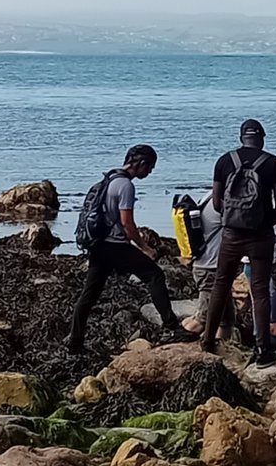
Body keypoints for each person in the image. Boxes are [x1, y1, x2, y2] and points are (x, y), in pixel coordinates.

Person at [67, 145, 194, 353]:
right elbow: (127, 223)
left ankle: (75, 343)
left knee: (89, 295)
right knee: (155, 275)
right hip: (115, 246)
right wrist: (145, 248)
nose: (150, 171)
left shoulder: (110, 179)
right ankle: (172, 328)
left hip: (98, 246)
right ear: (141, 163)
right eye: (150, 167)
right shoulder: (126, 186)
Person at [202, 120, 276, 366]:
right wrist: (265, 223)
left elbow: (217, 203)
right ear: (262, 138)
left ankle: (208, 341)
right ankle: (263, 350)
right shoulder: (273, 163)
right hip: (261, 236)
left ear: (241, 138)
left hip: (231, 234)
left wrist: (232, 220)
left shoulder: (224, 161)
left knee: (221, 284)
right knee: (260, 291)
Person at [183, 189, 235, 341]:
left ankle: (220, 350)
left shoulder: (209, 197)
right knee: (203, 319)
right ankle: (176, 341)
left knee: (226, 321)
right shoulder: (221, 203)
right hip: (210, 269)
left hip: (209, 266)